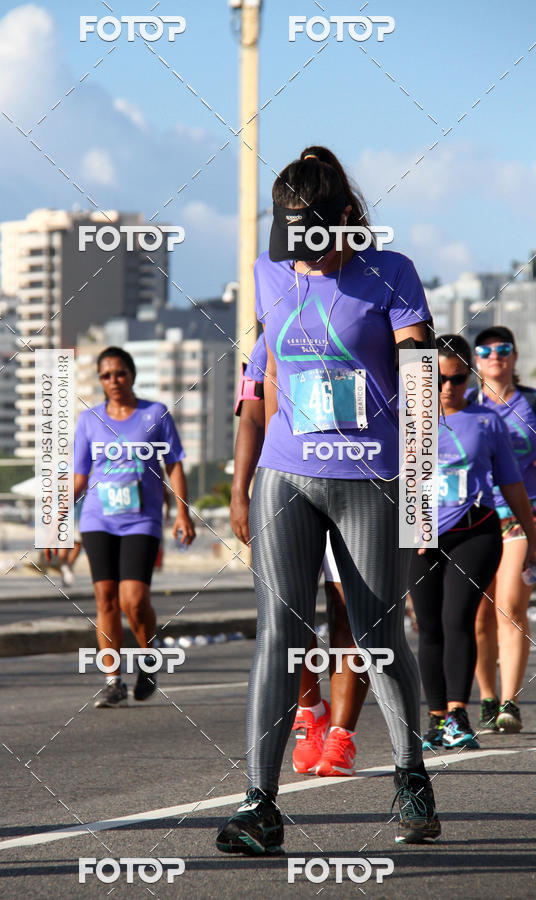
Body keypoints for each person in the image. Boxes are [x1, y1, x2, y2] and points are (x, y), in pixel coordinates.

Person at [217, 145, 441, 855]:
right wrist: (242, 478)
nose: (302, 259)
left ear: (346, 218)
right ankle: (260, 804)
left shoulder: (391, 275)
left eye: (313, 241)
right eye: (292, 243)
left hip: (369, 478)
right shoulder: (268, 272)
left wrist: (420, 495)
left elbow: (419, 387)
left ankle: (410, 775)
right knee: (280, 637)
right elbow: (264, 379)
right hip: (288, 475)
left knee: (375, 638)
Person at [232, 332, 368, 778]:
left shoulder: (369, 320)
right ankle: (311, 712)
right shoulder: (272, 333)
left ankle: (341, 738)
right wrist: (240, 494)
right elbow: (252, 418)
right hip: (288, 488)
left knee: (351, 615)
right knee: (290, 617)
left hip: (358, 486)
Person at [409, 335, 534, 752]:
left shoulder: (487, 421)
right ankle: (435, 717)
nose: (448, 388)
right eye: (439, 379)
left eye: (458, 378)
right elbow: (393, 481)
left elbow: (512, 484)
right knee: (428, 628)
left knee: (457, 617)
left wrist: (532, 537)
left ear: (470, 376)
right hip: (419, 535)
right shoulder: (406, 419)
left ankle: (459, 714)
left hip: (476, 530)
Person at [73, 346, 196, 707]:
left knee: (134, 599)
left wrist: (183, 513)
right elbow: (80, 477)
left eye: (120, 373)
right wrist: (56, 520)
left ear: (132, 374)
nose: (113, 381)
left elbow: (173, 466)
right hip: (98, 518)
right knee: (105, 599)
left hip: (142, 518)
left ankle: (148, 657)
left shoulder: (154, 414)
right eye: (106, 375)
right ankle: (113, 682)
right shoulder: (89, 420)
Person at [472, 326, 536, 733]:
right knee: (477, 616)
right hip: (473, 518)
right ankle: (487, 697)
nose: (496, 356)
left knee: (510, 606)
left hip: (523, 516)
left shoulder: (532, 403)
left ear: (514, 356)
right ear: (475, 361)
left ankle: (510, 700)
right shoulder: (461, 405)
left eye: (504, 349)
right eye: (487, 350)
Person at [58, 499, 83, 587]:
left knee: (77, 543)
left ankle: (68, 567)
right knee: (64, 545)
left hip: (78, 514)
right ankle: (66, 569)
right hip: (64, 515)